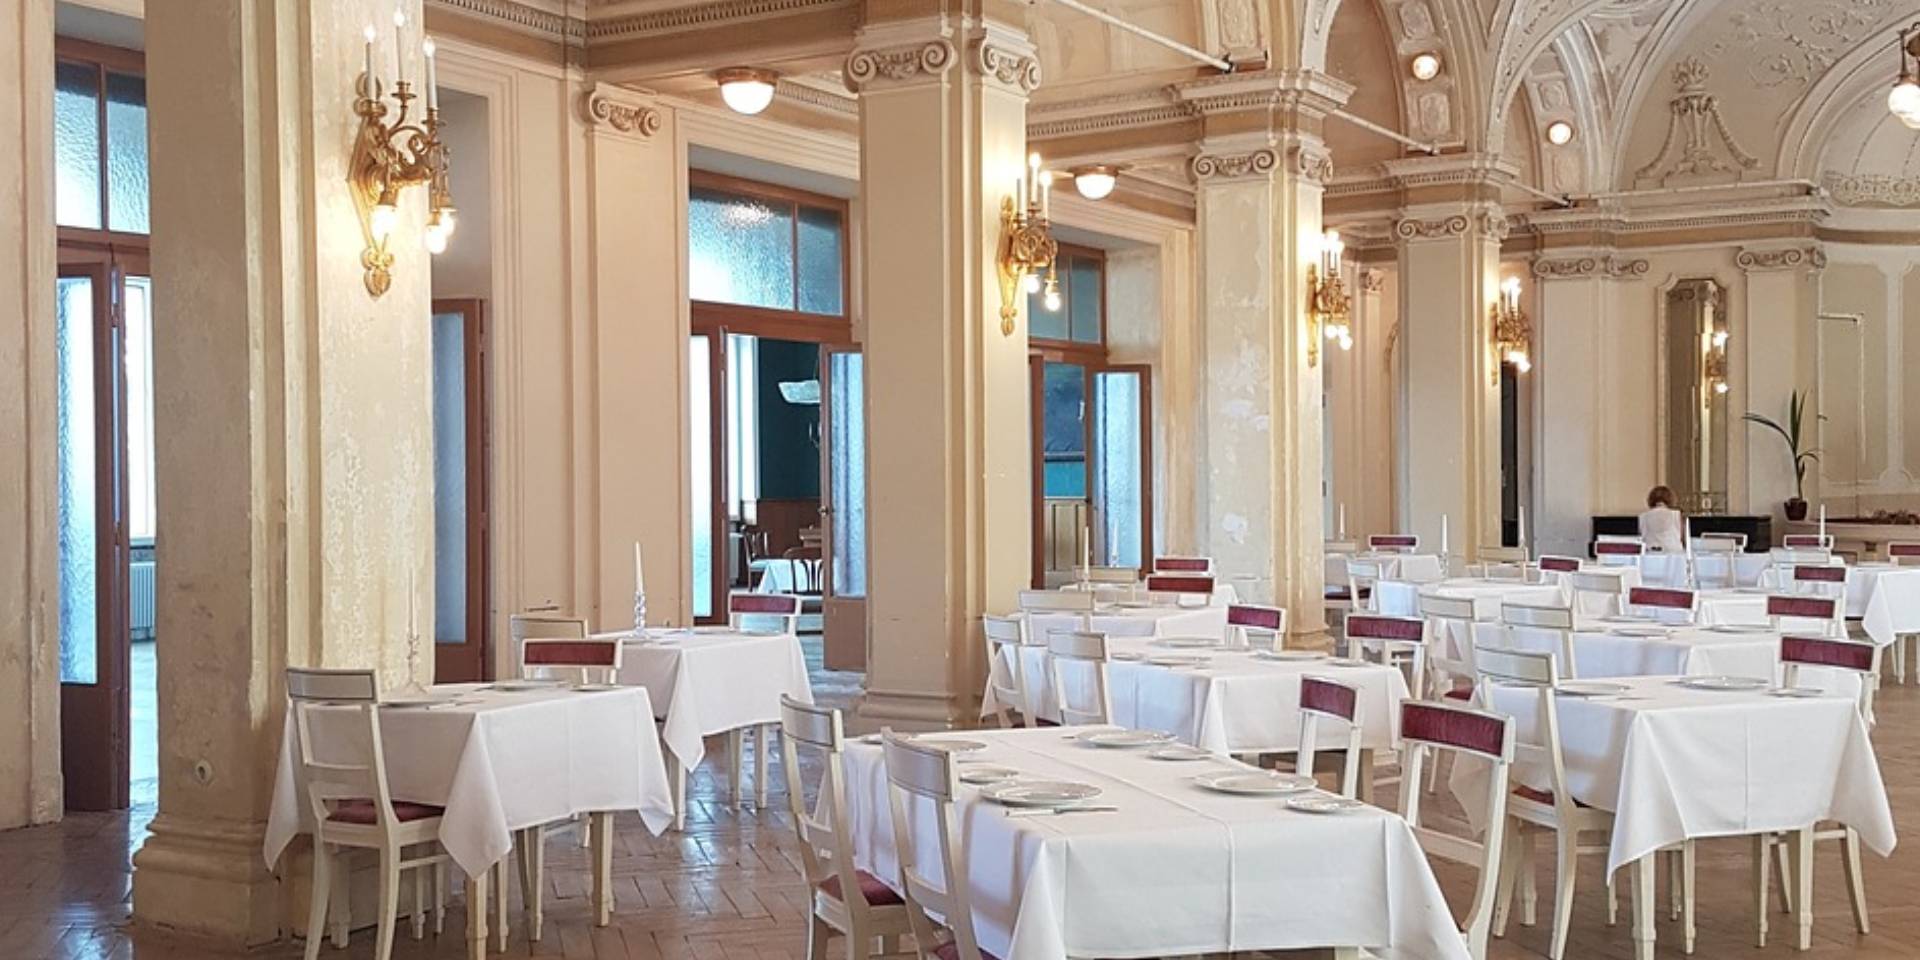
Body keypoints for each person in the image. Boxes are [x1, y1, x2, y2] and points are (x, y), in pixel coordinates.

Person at [1638, 486, 1687, 553]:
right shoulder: (1677, 515)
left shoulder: (1643, 516)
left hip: (1650, 555)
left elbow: (1641, 537)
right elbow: (1683, 538)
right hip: (1674, 555)